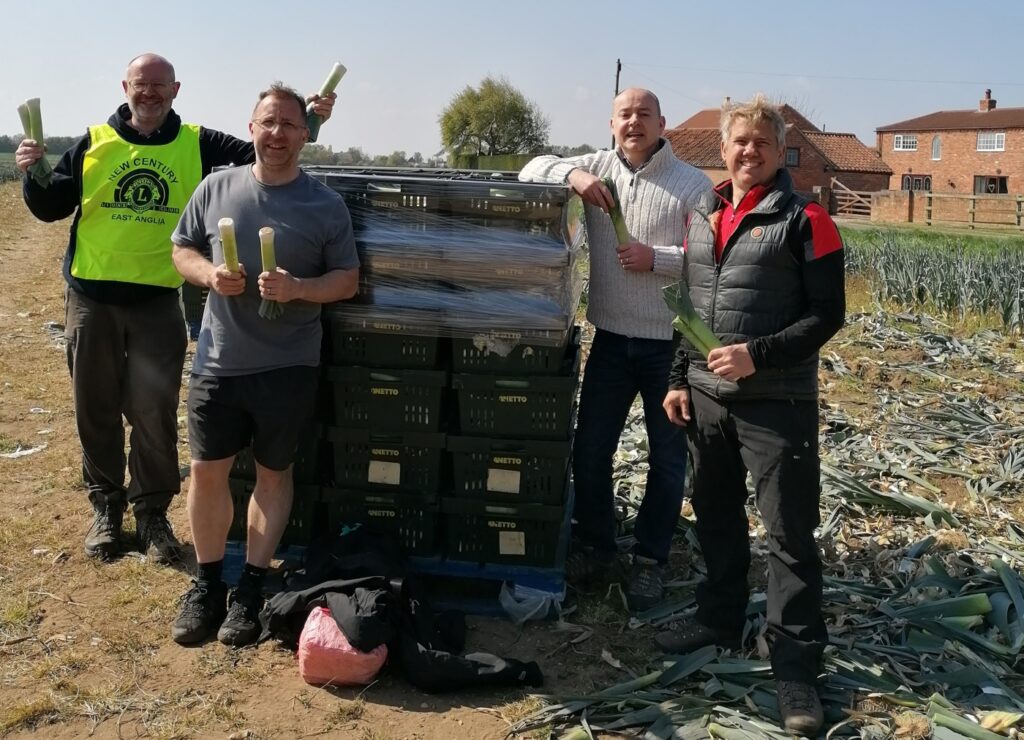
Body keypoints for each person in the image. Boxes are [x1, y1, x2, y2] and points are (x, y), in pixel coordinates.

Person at [15, 53, 335, 564]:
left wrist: (311, 119)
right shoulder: (94, 142)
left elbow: (270, 147)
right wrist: (32, 173)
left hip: (158, 302)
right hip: (92, 300)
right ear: (126, 87)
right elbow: (52, 207)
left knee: (154, 413)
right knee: (94, 409)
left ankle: (152, 513)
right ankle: (106, 509)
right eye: (141, 85)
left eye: (160, 85)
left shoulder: (198, 143)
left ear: (176, 89)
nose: (150, 93)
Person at [657, 94, 845, 736]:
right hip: (708, 399)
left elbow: (827, 315)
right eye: (740, 141)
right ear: (725, 147)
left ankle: (794, 668)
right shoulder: (703, 213)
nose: (749, 151)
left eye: (762, 142)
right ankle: (717, 613)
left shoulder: (806, 218)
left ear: (778, 149)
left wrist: (757, 357)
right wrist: (682, 377)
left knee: (789, 536)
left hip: (777, 403)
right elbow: (691, 303)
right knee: (713, 511)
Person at [169, 83, 359, 646]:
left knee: (274, 476)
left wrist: (299, 287)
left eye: (289, 125)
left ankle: (250, 586)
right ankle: (207, 583)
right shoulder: (215, 187)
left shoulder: (325, 204)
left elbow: (347, 280)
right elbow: (181, 249)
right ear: (251, 127)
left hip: (287, 365)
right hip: (218, 361)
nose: (277, 134)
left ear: (306, 134)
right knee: (207, 473)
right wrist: (209, 277)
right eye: (267, 122)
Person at [518, 89, 711, 612]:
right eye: (624, 115)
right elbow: (530, 169)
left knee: (667, 459)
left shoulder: (693, 184)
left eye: (643, 115)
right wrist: (573, 177)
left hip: (668, 345)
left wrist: (659, 258)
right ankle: (598, 546)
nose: (633, 123)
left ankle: (649, 561)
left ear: (661, 123)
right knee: (590, 449)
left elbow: (709, 259)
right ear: (611, 123)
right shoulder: (599, 165)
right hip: (610, 338)